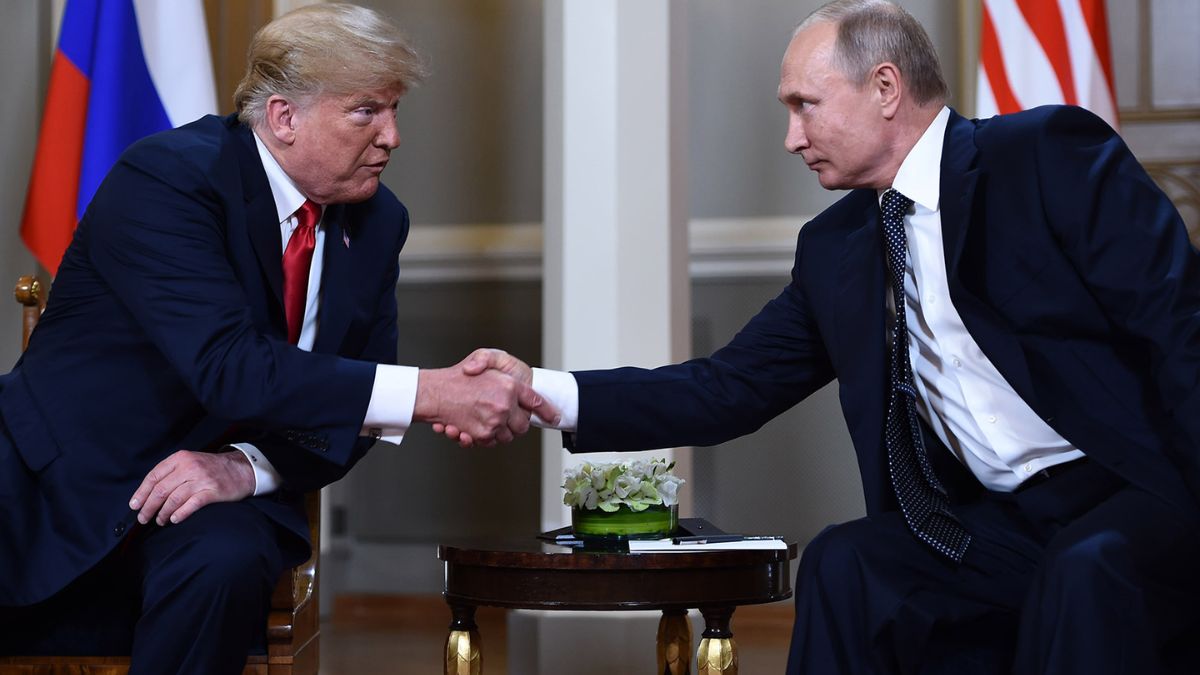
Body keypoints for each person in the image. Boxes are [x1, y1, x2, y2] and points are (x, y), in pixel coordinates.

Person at [447, 1, 1200, 672]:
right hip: (994, 524)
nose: (789, 137)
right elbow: (727, 388)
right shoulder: (837, 247)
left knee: (1087, 567)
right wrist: (541, 390)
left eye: (805, 106)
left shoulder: (1044, 155)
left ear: (884, 88)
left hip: (1133, 491)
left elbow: (1178, 328)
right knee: (846, 561)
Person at [0, 4, 554, 673]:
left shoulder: (378, 222)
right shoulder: (170, 179)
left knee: (224, 560)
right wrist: (433, 393)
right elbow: (229, 365)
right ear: (285, 117)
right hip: (61, 482)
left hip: (216, 496)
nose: (393, 137)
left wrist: (245, 466)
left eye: (395, 111)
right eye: (367, 111)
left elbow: (355, 412)